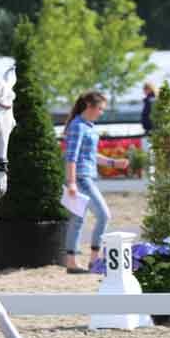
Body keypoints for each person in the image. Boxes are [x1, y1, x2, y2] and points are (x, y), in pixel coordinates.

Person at [63, 91, 128, 274]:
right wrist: (72, 182)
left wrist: (114, 163)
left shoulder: (88, 127)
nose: (101, 113)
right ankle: (93, 260)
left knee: (77, 219)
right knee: (104, 215)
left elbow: (91, 155)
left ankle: (72, 262)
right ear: (89, 107)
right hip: (81, 178)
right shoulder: (78, 126)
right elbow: (71, 156)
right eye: (100, 109)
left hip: (87, 176)